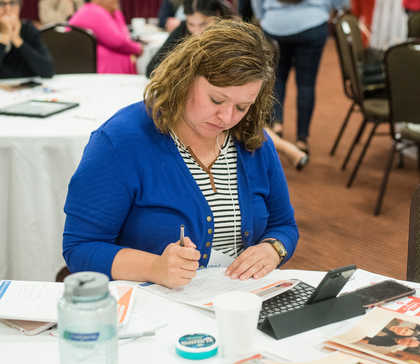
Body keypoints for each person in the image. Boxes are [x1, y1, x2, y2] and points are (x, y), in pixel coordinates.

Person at [63, 19, 299, 289]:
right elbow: (79, 249)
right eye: (216, 100)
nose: (226, 117)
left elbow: (284, 226)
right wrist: (154, 267)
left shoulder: (252, 141)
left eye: (242, 106)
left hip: (234, 303)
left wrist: (273, 249)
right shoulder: (121, 141)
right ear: (185, 79)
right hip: (153, 308)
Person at [147, 0, 308, 170]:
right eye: (191, 24)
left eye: (202, 24)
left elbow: (252, 94)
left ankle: (278, 142)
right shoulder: (186, 33)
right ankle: (282, 145)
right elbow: (152, 67)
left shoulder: (235, 41)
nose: (196, 32)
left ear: (216, 18)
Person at [250, 0, 355, 154]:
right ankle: (302, 139)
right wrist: (329, 7)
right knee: (306, 84)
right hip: (312, 25)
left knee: (274, 81)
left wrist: (263, 16)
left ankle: (276, 126)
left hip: (274, 26)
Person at [69, 0, 142, 74]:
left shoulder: (113, 13)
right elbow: (118, 42)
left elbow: (124, 39)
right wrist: (138, 49)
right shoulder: (91, 11)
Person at [0, 0, 54, 79]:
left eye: (13, 3)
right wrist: (4, 39)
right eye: (1, 4)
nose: (8, 9)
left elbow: (48, 71)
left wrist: (17, 40)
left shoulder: (28, 29)